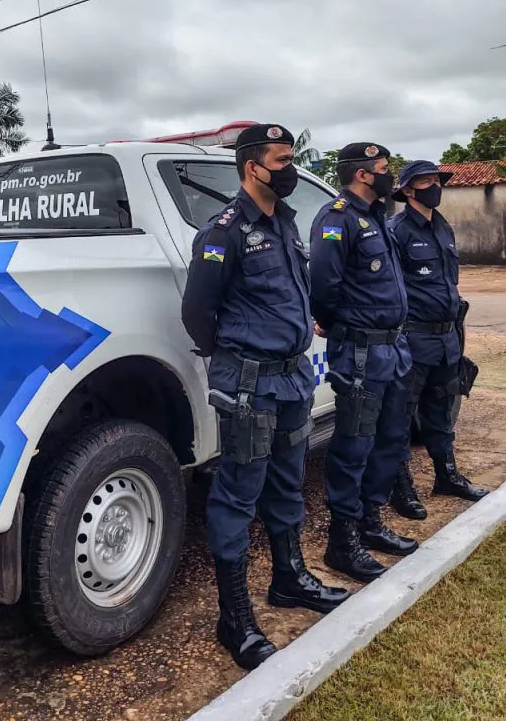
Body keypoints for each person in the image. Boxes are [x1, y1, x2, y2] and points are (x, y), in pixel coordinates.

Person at [182, 124, 350, 672]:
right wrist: (235, 360)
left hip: (294, 379)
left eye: (292, 157)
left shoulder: (287, 223)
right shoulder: (224, 231)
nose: (291, 167)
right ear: (253, 167)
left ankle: (289, 578)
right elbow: (197, 314)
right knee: (237, 496)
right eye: (283, 159)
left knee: (286, 481)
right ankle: (234, 619)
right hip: (250, 384)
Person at [309, 142, 418, 584]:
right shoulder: (336, 217)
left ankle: (371, 521)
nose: (389, 174)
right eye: (383, 168)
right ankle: (343, 539)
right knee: (354, 444)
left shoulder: (377, 217)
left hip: (393, 348)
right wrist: (339, 326)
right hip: (360, 350)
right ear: (361, 175)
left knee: (391, 438)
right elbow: (324, 286)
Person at [387, 160, 489, 519]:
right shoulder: (396, 230)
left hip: (446, 338)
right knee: (400, 420)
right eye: (426, 181)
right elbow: (392, 290)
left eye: (437, 179)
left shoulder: (442, 226)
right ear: (407, 189)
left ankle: (447, 477)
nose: (435, 186)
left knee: (441, 413)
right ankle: (402, 490)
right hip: (413, 340)